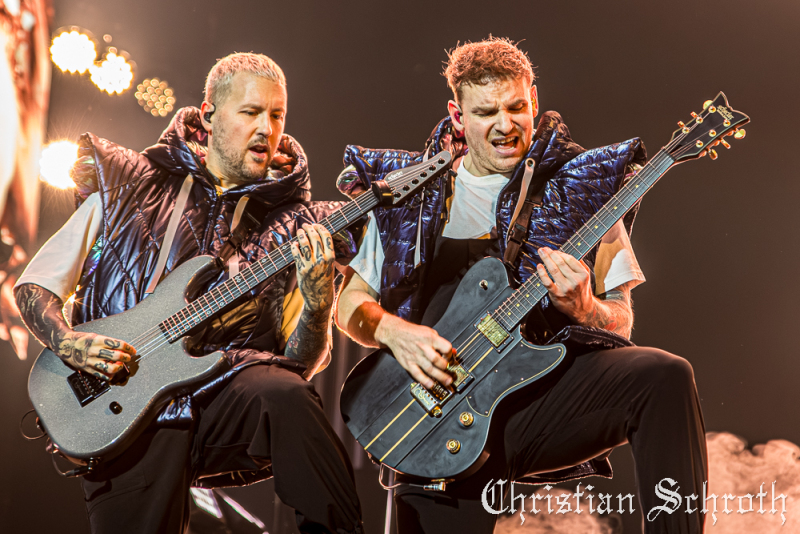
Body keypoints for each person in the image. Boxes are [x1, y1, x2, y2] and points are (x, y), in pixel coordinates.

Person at [335, 37, 706, 533]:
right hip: (435, 413)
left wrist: (585, 308)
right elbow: (350, 306)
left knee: (664, 377)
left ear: (534, 99)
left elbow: (620, 319)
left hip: (538, 397)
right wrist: (397, 334)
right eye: (486, 112)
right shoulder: (410, 193)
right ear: (457, 115)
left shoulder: (585, 186)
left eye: (515, 107)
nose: (505, 125)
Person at [15, 53, 363, 534]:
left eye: (277, 115)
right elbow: (36, 284)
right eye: (250, 112)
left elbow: (299, 361)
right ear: (209, 115)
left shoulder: (297, 225)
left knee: (288, 396)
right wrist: (70, 343)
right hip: (119, 408)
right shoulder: (130, 182)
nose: (266, 129)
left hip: (223, 396)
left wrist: (320, 305)